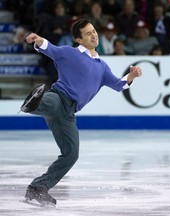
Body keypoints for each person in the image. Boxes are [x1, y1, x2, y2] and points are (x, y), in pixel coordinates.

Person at [21, 19, 142, 206]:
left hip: (68, 114)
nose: (94, 35)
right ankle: (34, 103)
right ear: (79, 39)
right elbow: (49, 48)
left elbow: (118, 85)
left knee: (71, 154)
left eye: (94, 31)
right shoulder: (70, 53)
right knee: (51, 103)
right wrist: (37, 39)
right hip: (59, 97)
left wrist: (131, 77)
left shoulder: (102, 67)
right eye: (88, 33)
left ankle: (38, 187)